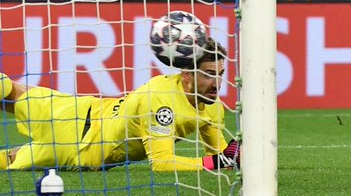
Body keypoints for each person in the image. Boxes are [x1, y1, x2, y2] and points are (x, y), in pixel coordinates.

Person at [1, 40, 239, 172]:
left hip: (81, 148)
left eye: (220, 74)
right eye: (208, 75)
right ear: (187, 75)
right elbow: (162, 163)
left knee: (12, 159)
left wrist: (232, 155)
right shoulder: (161, 99)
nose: (217, 83)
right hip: (79, 115)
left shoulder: (212, 105)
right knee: (10, 90)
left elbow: (217, 155)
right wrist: (219, 161)